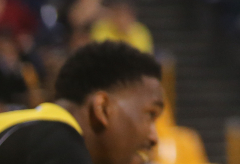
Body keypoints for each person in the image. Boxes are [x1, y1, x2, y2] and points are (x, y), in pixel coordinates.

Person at [0, 40, 163, 164]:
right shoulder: (60, 148)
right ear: (103, 108)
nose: (154, 137)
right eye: (150, 115)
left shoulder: (24, 127)